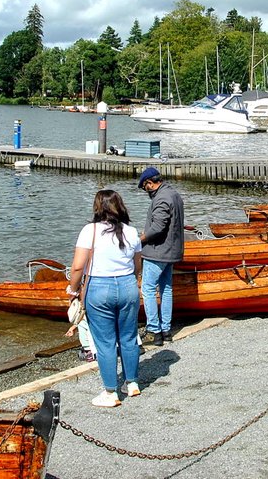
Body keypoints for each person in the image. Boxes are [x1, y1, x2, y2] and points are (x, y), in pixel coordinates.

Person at [65, 189, 142, 407]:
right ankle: (132, 382)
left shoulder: (90, 230)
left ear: (97, 207)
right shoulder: (131, 231)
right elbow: (138, 265)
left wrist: (73, 289)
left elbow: (78, 266)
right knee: (128, 336)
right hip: (127, 285)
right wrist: (131, 281)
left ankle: (111, 392)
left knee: (105, 341)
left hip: (99, 287)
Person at [137, 166, 184, 347]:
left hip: (158, 252)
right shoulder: (174, 194)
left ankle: (153, 331)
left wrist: (139, 240)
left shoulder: (162, 198)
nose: (145, 191)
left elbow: (158, 227)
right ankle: (166, 330)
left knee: (148, 289)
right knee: (166, 289)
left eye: (144, 187)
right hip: (171, 251)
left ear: (150, 183)